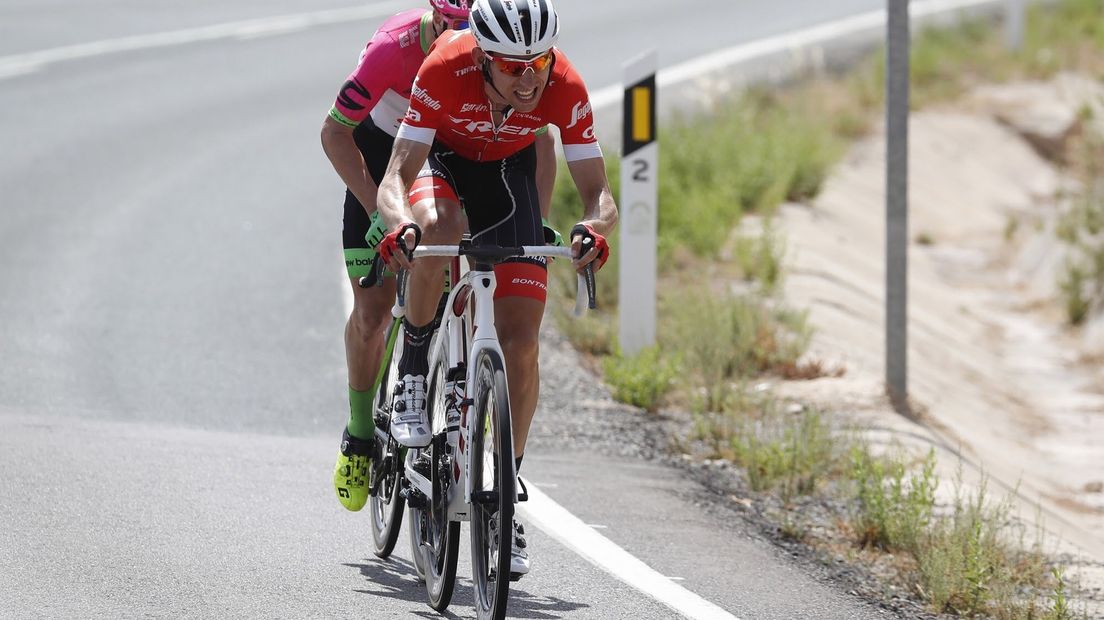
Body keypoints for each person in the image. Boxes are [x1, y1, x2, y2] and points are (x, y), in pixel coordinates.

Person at [374, 0, 618, 578]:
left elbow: (598, 196)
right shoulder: (443, 68)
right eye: (512, 67)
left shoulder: (565, 84)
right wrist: (397, 226)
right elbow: (395, 177)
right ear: (483, 56)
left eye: (537, 62)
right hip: (443, 166)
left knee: (523, 344)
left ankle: (506, 484)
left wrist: (592, 229)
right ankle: (413, 369)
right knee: (439, 230)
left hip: (509, 180)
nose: (529, 78)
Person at [323, 0, 563, 514]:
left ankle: (462, 381)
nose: (461, 44)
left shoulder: (501, 67)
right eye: (452, 29)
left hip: (460, 156)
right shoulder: (393, 50)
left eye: (472, 36)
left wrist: (535, 222)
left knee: (482, 273)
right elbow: (335, 133)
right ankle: (362, 433)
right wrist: (375, 210)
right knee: (372, 312)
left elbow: (540, 147)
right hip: (389, 158)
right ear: (434, 18)